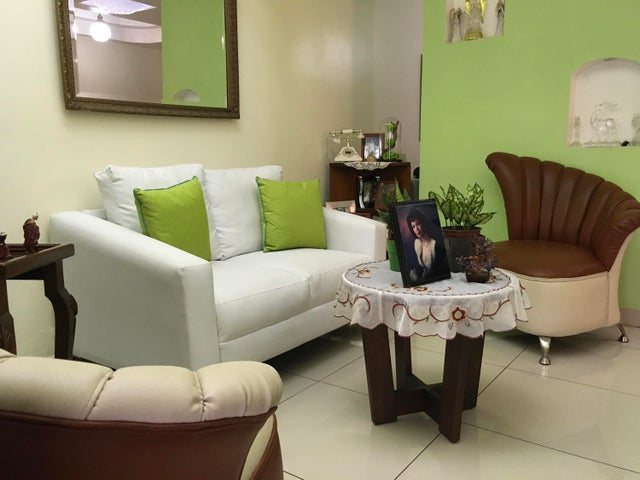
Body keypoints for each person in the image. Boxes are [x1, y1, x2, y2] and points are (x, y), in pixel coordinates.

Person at [405, 207, 448, 283]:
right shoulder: (417, 243)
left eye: (418, 224)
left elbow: (440, 272)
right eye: (413, 226)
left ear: (423, 223)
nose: (416, 229)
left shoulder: (435, 245)